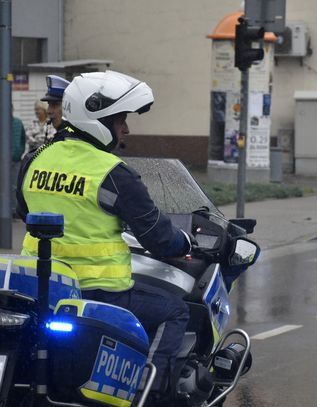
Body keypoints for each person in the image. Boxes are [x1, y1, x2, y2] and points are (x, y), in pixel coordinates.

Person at [16, 70, 193, 404]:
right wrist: (184, 241)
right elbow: (158, 237)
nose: (125, 129)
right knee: (174, 311)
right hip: (99, 293)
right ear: (98, 117)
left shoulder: (33, 160)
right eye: (121, 119)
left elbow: (24, 211)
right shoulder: (113, 173)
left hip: (42, 288)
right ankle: (150, 394)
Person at [11, 106, 26, 216]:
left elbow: (23, 140)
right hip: (3, 161)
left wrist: (20, 152)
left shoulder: (18, 122)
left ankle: (14, 210)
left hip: (16, 160)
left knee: (15, 186)